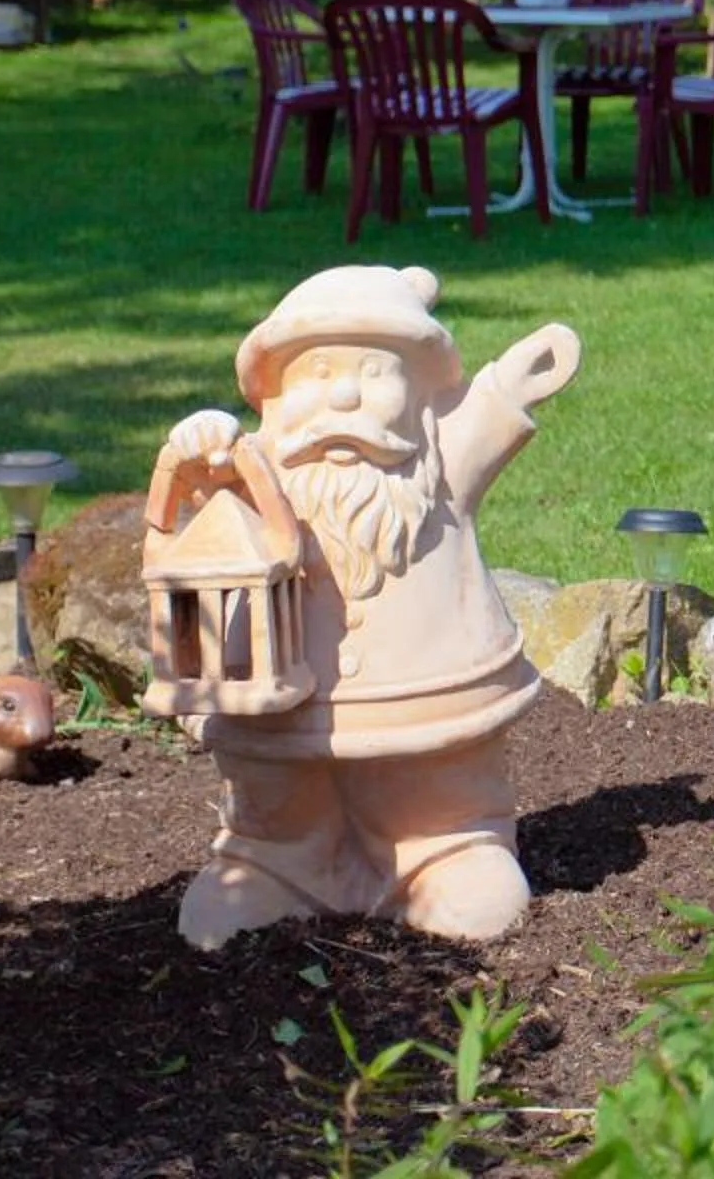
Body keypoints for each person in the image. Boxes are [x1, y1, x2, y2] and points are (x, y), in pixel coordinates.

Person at [147, 264, 579, 949]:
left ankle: (444, 856)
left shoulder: (438, 462)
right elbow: (198, 490)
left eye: (376, 372)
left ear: (421, 389)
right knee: (246, 869)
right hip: (279, 752)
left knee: (468, 877)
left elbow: (490, 405)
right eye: (317, 373)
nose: (344, 395)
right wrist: (201, 446)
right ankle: (277, 864)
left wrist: (511, 383)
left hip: (433, 735)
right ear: (275, 392)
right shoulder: (257, 468)